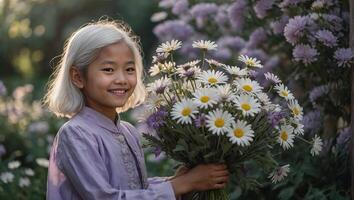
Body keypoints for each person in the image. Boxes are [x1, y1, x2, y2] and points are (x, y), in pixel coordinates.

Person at [44, 20, 229, 200]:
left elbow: (136, 188)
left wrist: (179, 180)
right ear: (77, 77)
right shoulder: (76, 134)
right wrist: (181, 185)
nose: (122, 79)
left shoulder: (128, 131)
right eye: (108, 69)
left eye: (129, 69)